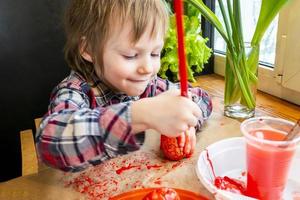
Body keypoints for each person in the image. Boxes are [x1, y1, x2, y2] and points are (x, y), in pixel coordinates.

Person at [36, 0, 212, 172]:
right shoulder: (76, 90)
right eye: (130, 55)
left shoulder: (149, 86)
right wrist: (140, 114)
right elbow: (50, 142)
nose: (148, 68)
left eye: (155, 53)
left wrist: (187, 121)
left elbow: (202, 97)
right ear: (88, 49)